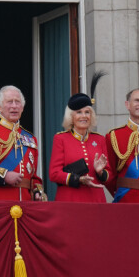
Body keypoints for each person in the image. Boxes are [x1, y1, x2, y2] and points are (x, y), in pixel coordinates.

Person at [49, 72, 111, 202]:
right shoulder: (61, 139)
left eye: (87, 112)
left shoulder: (99, 139)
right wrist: (78, 179)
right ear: (71, 117)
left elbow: (109, 175)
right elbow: (54, 174)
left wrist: (100, 172)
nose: (84, 116)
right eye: (79, 112)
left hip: (95, 199)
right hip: (70, 199)